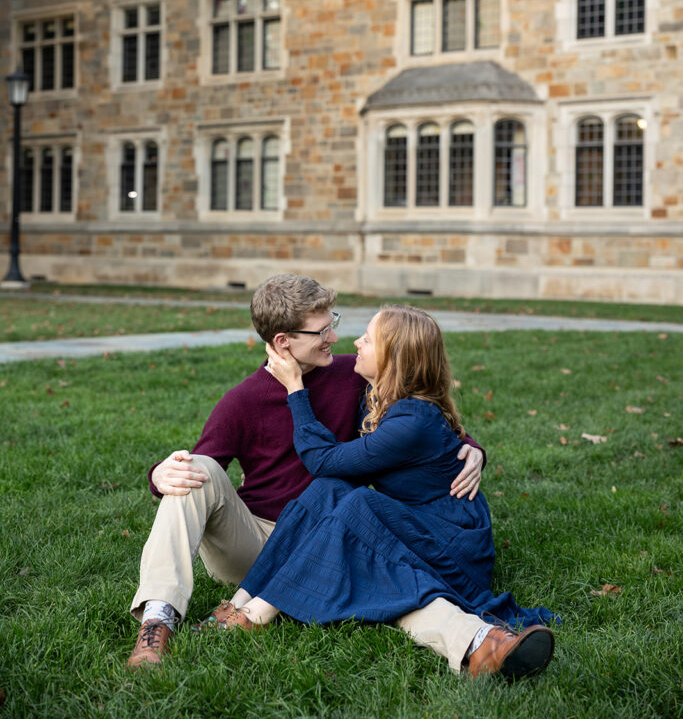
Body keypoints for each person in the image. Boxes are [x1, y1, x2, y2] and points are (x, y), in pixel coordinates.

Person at [127, 275, 494, 675]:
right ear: (284, 341)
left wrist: (471, 449)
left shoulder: (352, 376)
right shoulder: (241, 401)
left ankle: (480, 643)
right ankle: (157, 619)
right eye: (322, 330)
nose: (335, 337)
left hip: (332, 534)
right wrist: (159, 474)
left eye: (332, 322)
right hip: (258, 539)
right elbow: (199, 466)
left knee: (391, 582)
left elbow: (417, 413)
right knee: (195, 469)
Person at [197, 305, 557, 680]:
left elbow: (323, 459)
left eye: (367, 339)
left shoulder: (411, 420)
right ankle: (239, 605)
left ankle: (257, 615)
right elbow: (331, 474)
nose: (354, 342)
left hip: (451, 542)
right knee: (328, 491)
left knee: (355, 503)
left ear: (393, 359)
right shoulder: (381, 396)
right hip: (417, 522)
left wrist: (295, 391)